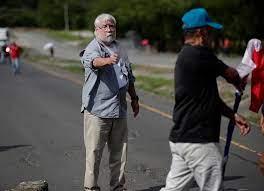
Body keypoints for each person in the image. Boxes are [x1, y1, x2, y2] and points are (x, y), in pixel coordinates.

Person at [160, 8, 250, 191]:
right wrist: (248, 67)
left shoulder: (186, 56)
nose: (211, 36)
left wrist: (232, 115)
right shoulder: (200, 55)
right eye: (210, 31)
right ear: (201, 32)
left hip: (182, 140)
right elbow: (233, 75)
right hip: (199, 143)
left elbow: (209, 98)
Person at [80, 13, 139, 191]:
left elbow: (128, 76)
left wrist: (134, 98)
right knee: (94, 153)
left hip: (119, 109)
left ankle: (118, 187)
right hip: (97, 111)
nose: (108, 29)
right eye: (104, 26)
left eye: (111, 26)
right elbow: (92, 61)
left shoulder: (119, 47)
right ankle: (90, 188)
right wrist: (107, 60)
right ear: (96, 30)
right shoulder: (93, 47)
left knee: (120, 153)